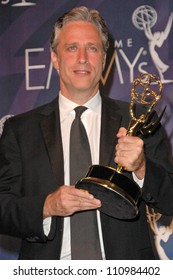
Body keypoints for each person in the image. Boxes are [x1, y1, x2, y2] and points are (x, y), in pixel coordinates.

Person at [0, 6, 173, 260]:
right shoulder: (19, 130)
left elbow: (170, 200)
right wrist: (46, 207)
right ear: (55, 59)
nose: (82, 58)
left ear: (104, 60)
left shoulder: (140, 120)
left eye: (92, 48)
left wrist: (142, 168)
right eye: (71, 48)